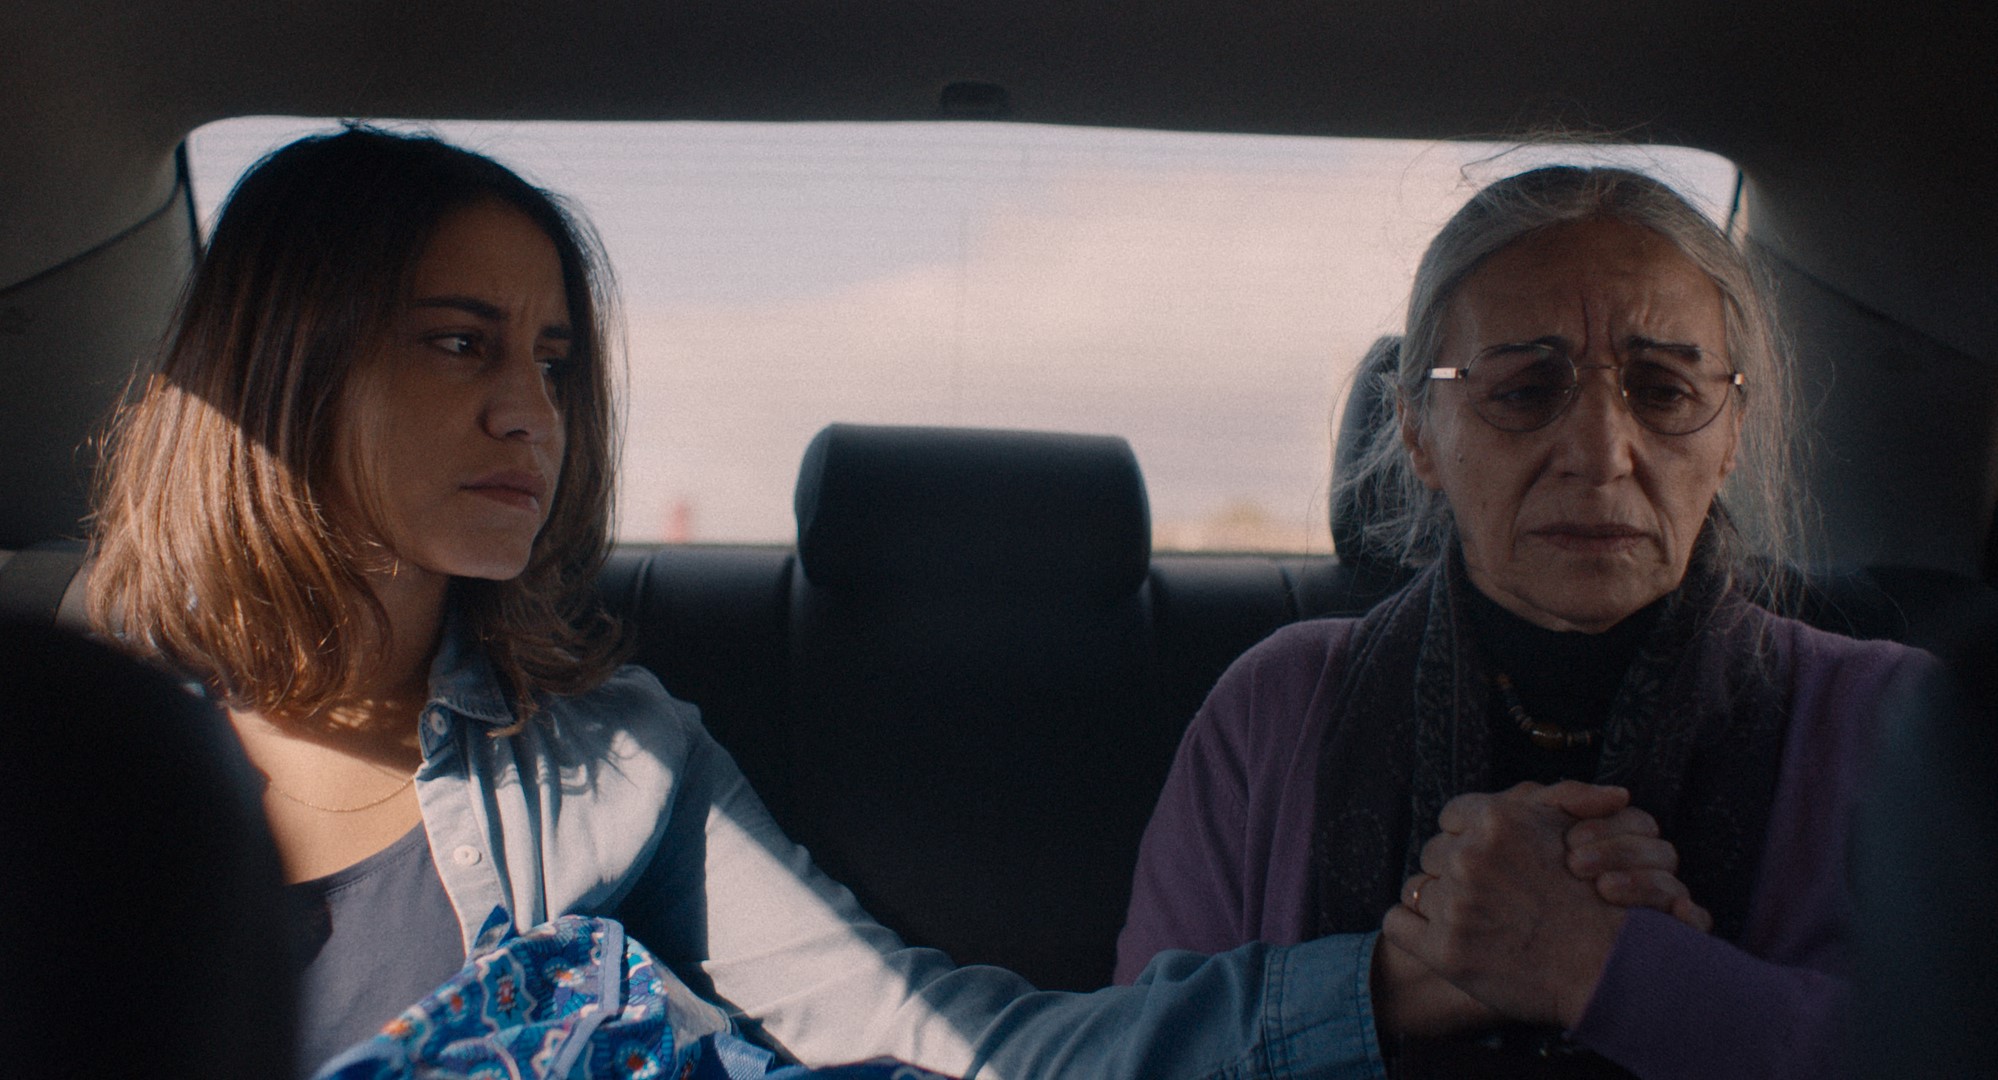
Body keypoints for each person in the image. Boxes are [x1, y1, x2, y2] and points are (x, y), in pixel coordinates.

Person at [93, 125, 1675, 1080]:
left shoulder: (604, 765)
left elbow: (948, 1043)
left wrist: (1382, 989)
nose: (531, 413)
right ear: (284, 367)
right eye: (459, 344)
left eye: (554, 362)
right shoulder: (63, 747)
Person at [1114, 164, 1934, 1079]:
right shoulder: (1278, 708)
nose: (1600, 452)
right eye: (1523, 390)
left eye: (1664, 391)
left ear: (1732, 432)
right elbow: (1132, 1053)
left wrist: (1604, 966)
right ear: (1419, 431)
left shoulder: (1905, 724)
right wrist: (1389, 986)